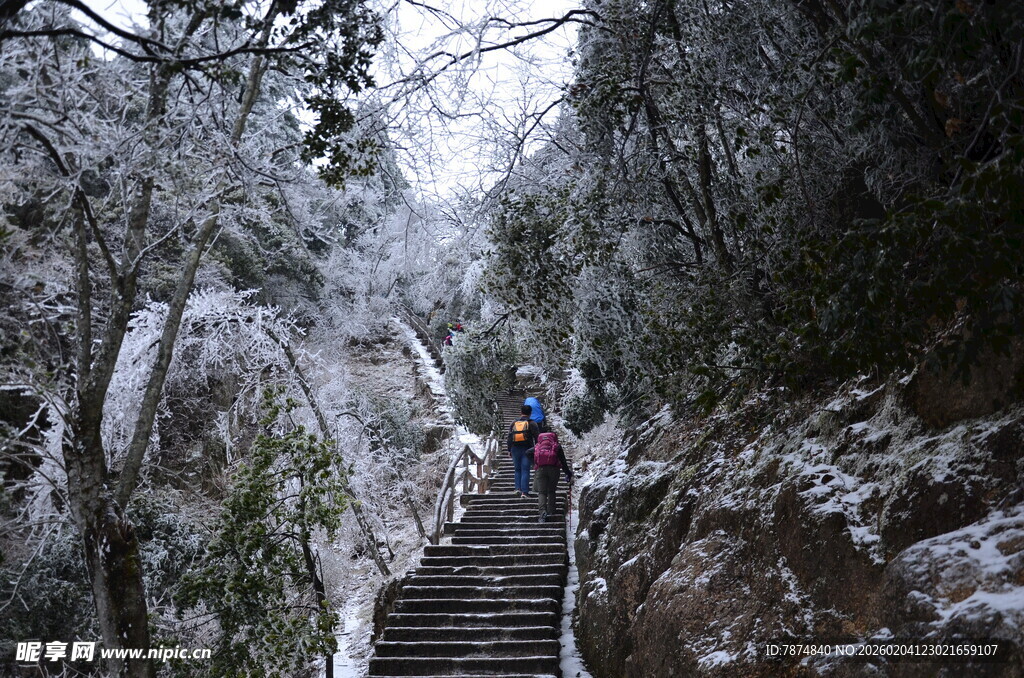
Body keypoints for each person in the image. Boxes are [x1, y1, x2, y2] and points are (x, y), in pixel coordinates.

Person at [533, 431, 572, 522]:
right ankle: (551, 511)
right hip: (554, 470)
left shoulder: (538, 446)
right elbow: (563, 461)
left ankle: (542, 512)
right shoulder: (556, 446)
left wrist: (535, 464)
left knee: (542, 492)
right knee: (551, 491)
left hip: (541, 470)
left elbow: (527, 452)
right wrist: (568, 473)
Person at [507, 404, 540, 497]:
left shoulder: (514, 422)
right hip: (527, 449)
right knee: (525, 470)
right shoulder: (532, 423)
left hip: (515, 448)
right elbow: (537, 437)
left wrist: (509, 449)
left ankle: (517, 488)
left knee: (517, 469)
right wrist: (537, 449)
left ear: (521, 412)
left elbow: (509, 437)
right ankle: (524, 492)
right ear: (530, 413)